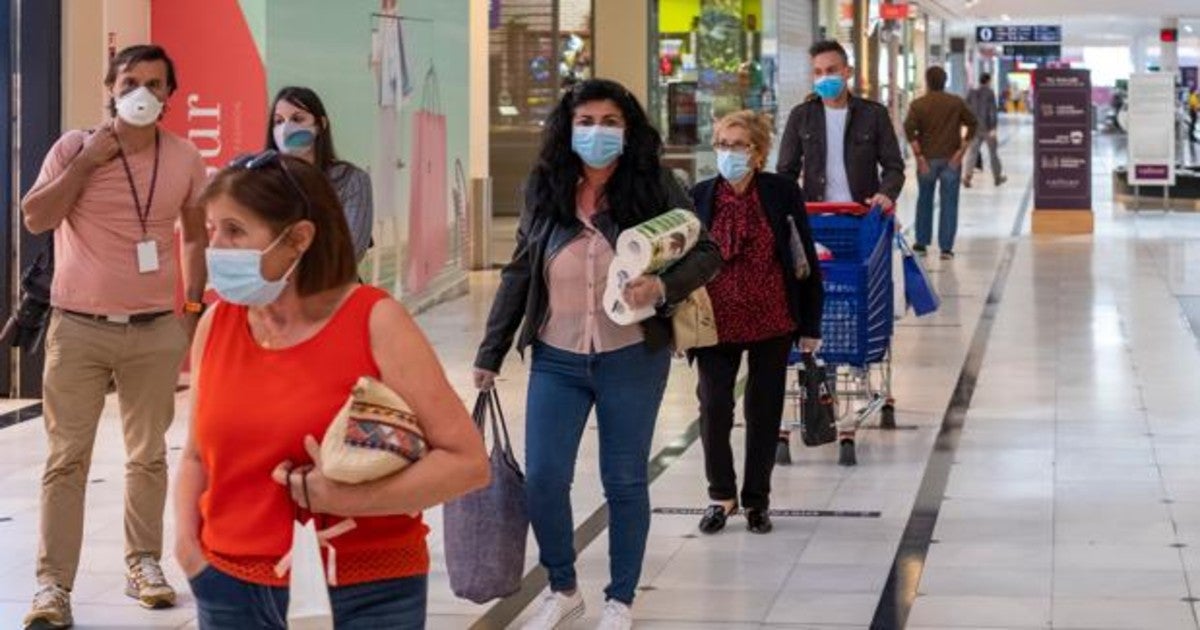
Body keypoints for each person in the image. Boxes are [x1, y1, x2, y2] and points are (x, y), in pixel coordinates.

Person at [174, 150, 489, 629]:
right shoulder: (217, 324)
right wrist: (188, 549)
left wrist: (344, 499)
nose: (215, 247)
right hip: (230, 587)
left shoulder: (374, 320)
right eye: (212, 230)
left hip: (365, 592)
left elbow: (466, 463)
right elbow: (196, 456)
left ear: (298, 238)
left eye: (235, 231)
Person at [472, 79, 721, 630]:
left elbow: (707, 250)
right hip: (557, 356)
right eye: (586, 121)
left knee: (625, 480)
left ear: (628, 130)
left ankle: (621, 598)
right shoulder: (546, 186)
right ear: (568, 127)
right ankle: (562, 587)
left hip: (631, 355)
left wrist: (660, 289)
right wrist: (491, 350)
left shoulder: (656, 185)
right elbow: (520, 269)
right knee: (544, 478)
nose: (597, 132)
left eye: (610, 122)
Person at [19, 44, 208, 629]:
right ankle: (53, 585)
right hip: (77, 327)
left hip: (154, 330)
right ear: (110, 86)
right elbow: (35, 218)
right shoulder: (75, 147)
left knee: (148, 456)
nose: (142, 92)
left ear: (170, 96)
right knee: (65, 460)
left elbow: (196, 236)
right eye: (130, 80)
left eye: (154, 83)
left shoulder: (183, 156)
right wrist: (85, 164)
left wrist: (193, 309)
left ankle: (144, 564)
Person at [690, 111, 823, 536]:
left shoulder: (782, 192)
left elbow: (803, 259)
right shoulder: (699, 195)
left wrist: (810, 324)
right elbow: (682, 262)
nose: (728, 153)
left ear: (758, 152)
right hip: (714, 321)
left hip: (772, 317)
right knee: (713, 407)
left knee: (764, 411)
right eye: (722, 145)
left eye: (737, 145)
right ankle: (720, 495)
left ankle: (756, 500)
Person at [778, 40, 905, 212]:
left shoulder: (874, 114)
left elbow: (894, 167)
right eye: (818, 72)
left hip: (864, 213)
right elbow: (785, 172)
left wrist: (886, 194)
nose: (824, 77)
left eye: (831, 70)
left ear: (847, 72)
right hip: (817, 215)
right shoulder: (801, 116)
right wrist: (798, 203)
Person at [267, 86, 374, 262]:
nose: (286, 128)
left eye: (297, 119)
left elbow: (351, 253)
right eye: (278, 121)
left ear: (320, 125)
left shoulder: (351, 180)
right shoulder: (261, 181)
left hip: (332, 287)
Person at [903, 66, 978, 260]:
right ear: (945, 81)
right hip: (951, 161)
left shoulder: (919, 104)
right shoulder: (956, 103)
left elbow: (909, 130)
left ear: (927, 81)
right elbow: (973, 123)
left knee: (924, 201)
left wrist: (919, 157)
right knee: (950, 204)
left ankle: (921, 243)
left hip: (926, 160)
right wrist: (961, 152)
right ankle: (946, 248)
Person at [963, 73, 1006, 188]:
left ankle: (967, 176)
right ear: (988, 81)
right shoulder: (989, 93)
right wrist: (993, 128)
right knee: (993, 153)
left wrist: (967, 124)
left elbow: (965, 108)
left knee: (972, 153)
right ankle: (997, 177)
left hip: (974, 128)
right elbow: (992, 111)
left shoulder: (971, 92)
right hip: (987, 128)